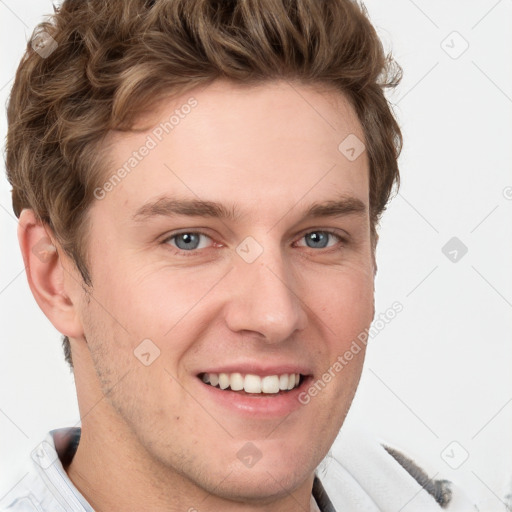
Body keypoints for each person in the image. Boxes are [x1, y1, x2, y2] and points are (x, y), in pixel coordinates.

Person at [1, 0, 476, 511]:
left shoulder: (419, 495)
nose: (274, 315)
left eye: (318, 238)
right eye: (189, 239)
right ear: (55, 275)